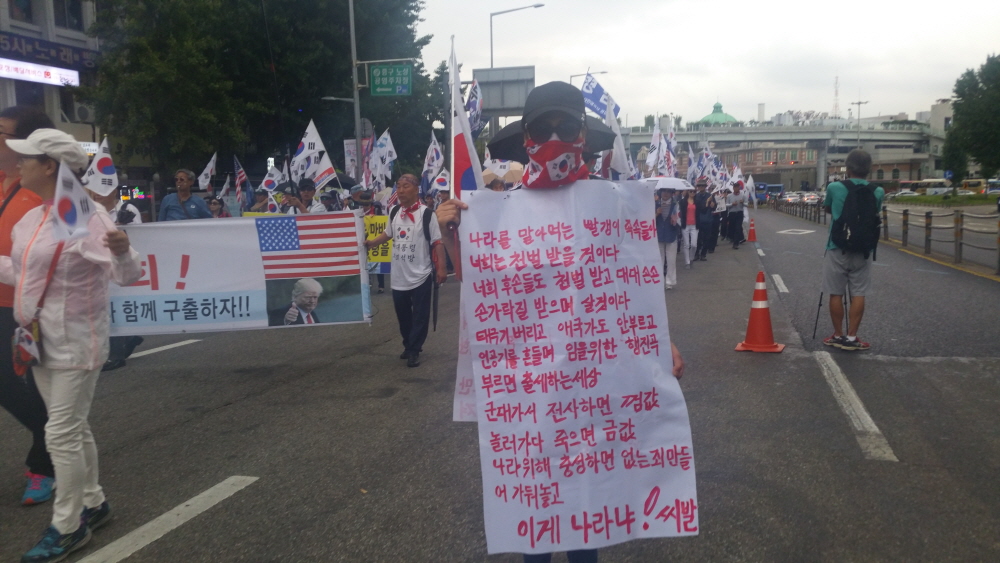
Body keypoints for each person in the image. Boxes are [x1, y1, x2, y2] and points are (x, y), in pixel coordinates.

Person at [434, 81, 686, 563]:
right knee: (539, 501)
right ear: (526, 138)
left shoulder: (613, 205)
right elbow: (485, 291)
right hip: (534, 388)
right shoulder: (500, 212)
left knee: (587, 503)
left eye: (565, 126)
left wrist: (661, 344)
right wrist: (452, 237)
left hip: (594, 383)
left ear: (583, 136)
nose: (554, 138)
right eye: (543, 128)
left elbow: (631, 291)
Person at [2, 129, 142, 563]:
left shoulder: (85, 217)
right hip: (38, 341)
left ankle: (68, 526)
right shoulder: (33, 218)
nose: (17, 163)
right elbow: (22, 273)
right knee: (73, 428)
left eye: (26, 158)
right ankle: (94, 503)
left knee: (60, 432)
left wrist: (123, 252)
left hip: (77, 342)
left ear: (49, 167)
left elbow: (126, 275)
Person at [0, 106, 57, 507]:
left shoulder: (44, 190)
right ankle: (54, 436)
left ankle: (45, 462)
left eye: (1, 131)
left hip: (31, 305)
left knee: (37, 385)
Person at [365, 173, 447, 368]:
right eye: (399, 186)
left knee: (420, 315)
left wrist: (442, 268)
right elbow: (388, 234)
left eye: (405, 186)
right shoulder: (394, 211)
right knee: (403, 315)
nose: (400, 191)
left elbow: (437, 242)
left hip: (421, 274)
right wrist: (371, 243)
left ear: (416, 189)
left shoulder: (427, 214)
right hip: (399, 275)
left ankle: (414, 349)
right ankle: (408, 344)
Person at [822, 149, 884, 351]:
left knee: (835, 292)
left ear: (847, 169)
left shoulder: (834, 187)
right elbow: (875, 212)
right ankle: (851, 337)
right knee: (859, 293)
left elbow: (828, 209)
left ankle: (837, 334)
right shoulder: (878, 191)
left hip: (837, 246)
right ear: (869, 169)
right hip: (863, 248)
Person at [88, 189, 144, 372]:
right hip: (100, 265)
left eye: (101, 189)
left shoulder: (128, 209)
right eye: (93, 189)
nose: (96, 193)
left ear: (114, 190)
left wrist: (120, 231)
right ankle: (129, 339)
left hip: (121, 264)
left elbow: (140, 235)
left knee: (116, 308)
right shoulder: (89, 211)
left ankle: (116, 354)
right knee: (109, 308)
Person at [655, 188, 680, 289]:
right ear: (660, 192)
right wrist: (657, 213)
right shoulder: (655, 204)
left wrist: (675, 221)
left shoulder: (675, 205)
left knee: (671, 260)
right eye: (663, 191)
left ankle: (670, 281)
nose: (665, 193)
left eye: (668, 191)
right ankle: (659, 281)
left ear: (671, 193)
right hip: (658, 235)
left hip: (671, 235)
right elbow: (648, 220)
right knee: (658, 260)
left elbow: (680, 220)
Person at [677, 182, 701, 268]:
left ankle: (691, 258)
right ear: (688, 192)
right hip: (685, 225)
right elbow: (679, 213)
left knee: (694, 245)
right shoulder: (682, 202)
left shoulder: (697, 202)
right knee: (686, 244)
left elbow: (702, 210)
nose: (692, 193)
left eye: (694, 191)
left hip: (694, 225)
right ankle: (687, 262)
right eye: (691, 191)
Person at [693, 178, 716, 260]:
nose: (701, 187)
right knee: (697, 239)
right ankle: (696, 254)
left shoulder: (710, 196)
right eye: (699, 186)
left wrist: (713, 205)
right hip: (698, 220)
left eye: (702, 186)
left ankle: (703, 254)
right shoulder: (695, 196)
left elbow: (714, 208)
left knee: (706, 238)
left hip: (708, 220)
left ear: (705, 187)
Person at [727, 181, 747, 249]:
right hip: (732, 213)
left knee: (738, 228)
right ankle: (733, 239)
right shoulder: (729, 196)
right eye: (735, 187)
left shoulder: (743, 195)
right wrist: (732, 204)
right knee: (732, 228)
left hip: (739, 213)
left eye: (737, 187)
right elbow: (726, 205)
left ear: (739, 188)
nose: (736, 188)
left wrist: (743, 202)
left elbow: (747, 204)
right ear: (733, 188)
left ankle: (736, 243)